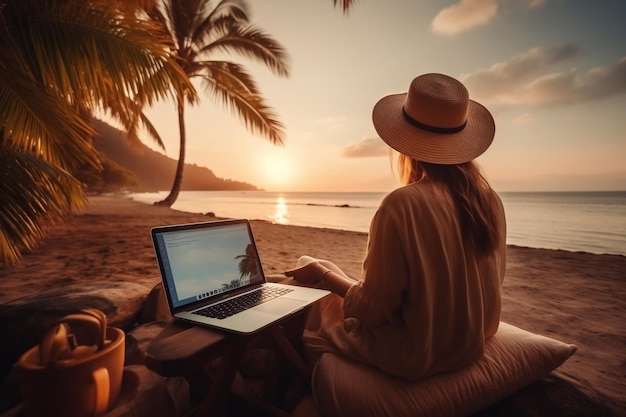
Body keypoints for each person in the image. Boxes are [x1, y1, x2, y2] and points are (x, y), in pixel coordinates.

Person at [284, 73, 507, 380]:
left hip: (414, 352)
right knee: (313, 265)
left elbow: (374, 310)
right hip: (469, 342)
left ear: (405, 145)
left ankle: (289, 378)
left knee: (310, 281)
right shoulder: (490, 201)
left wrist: (323, 276)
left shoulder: (402, 204)